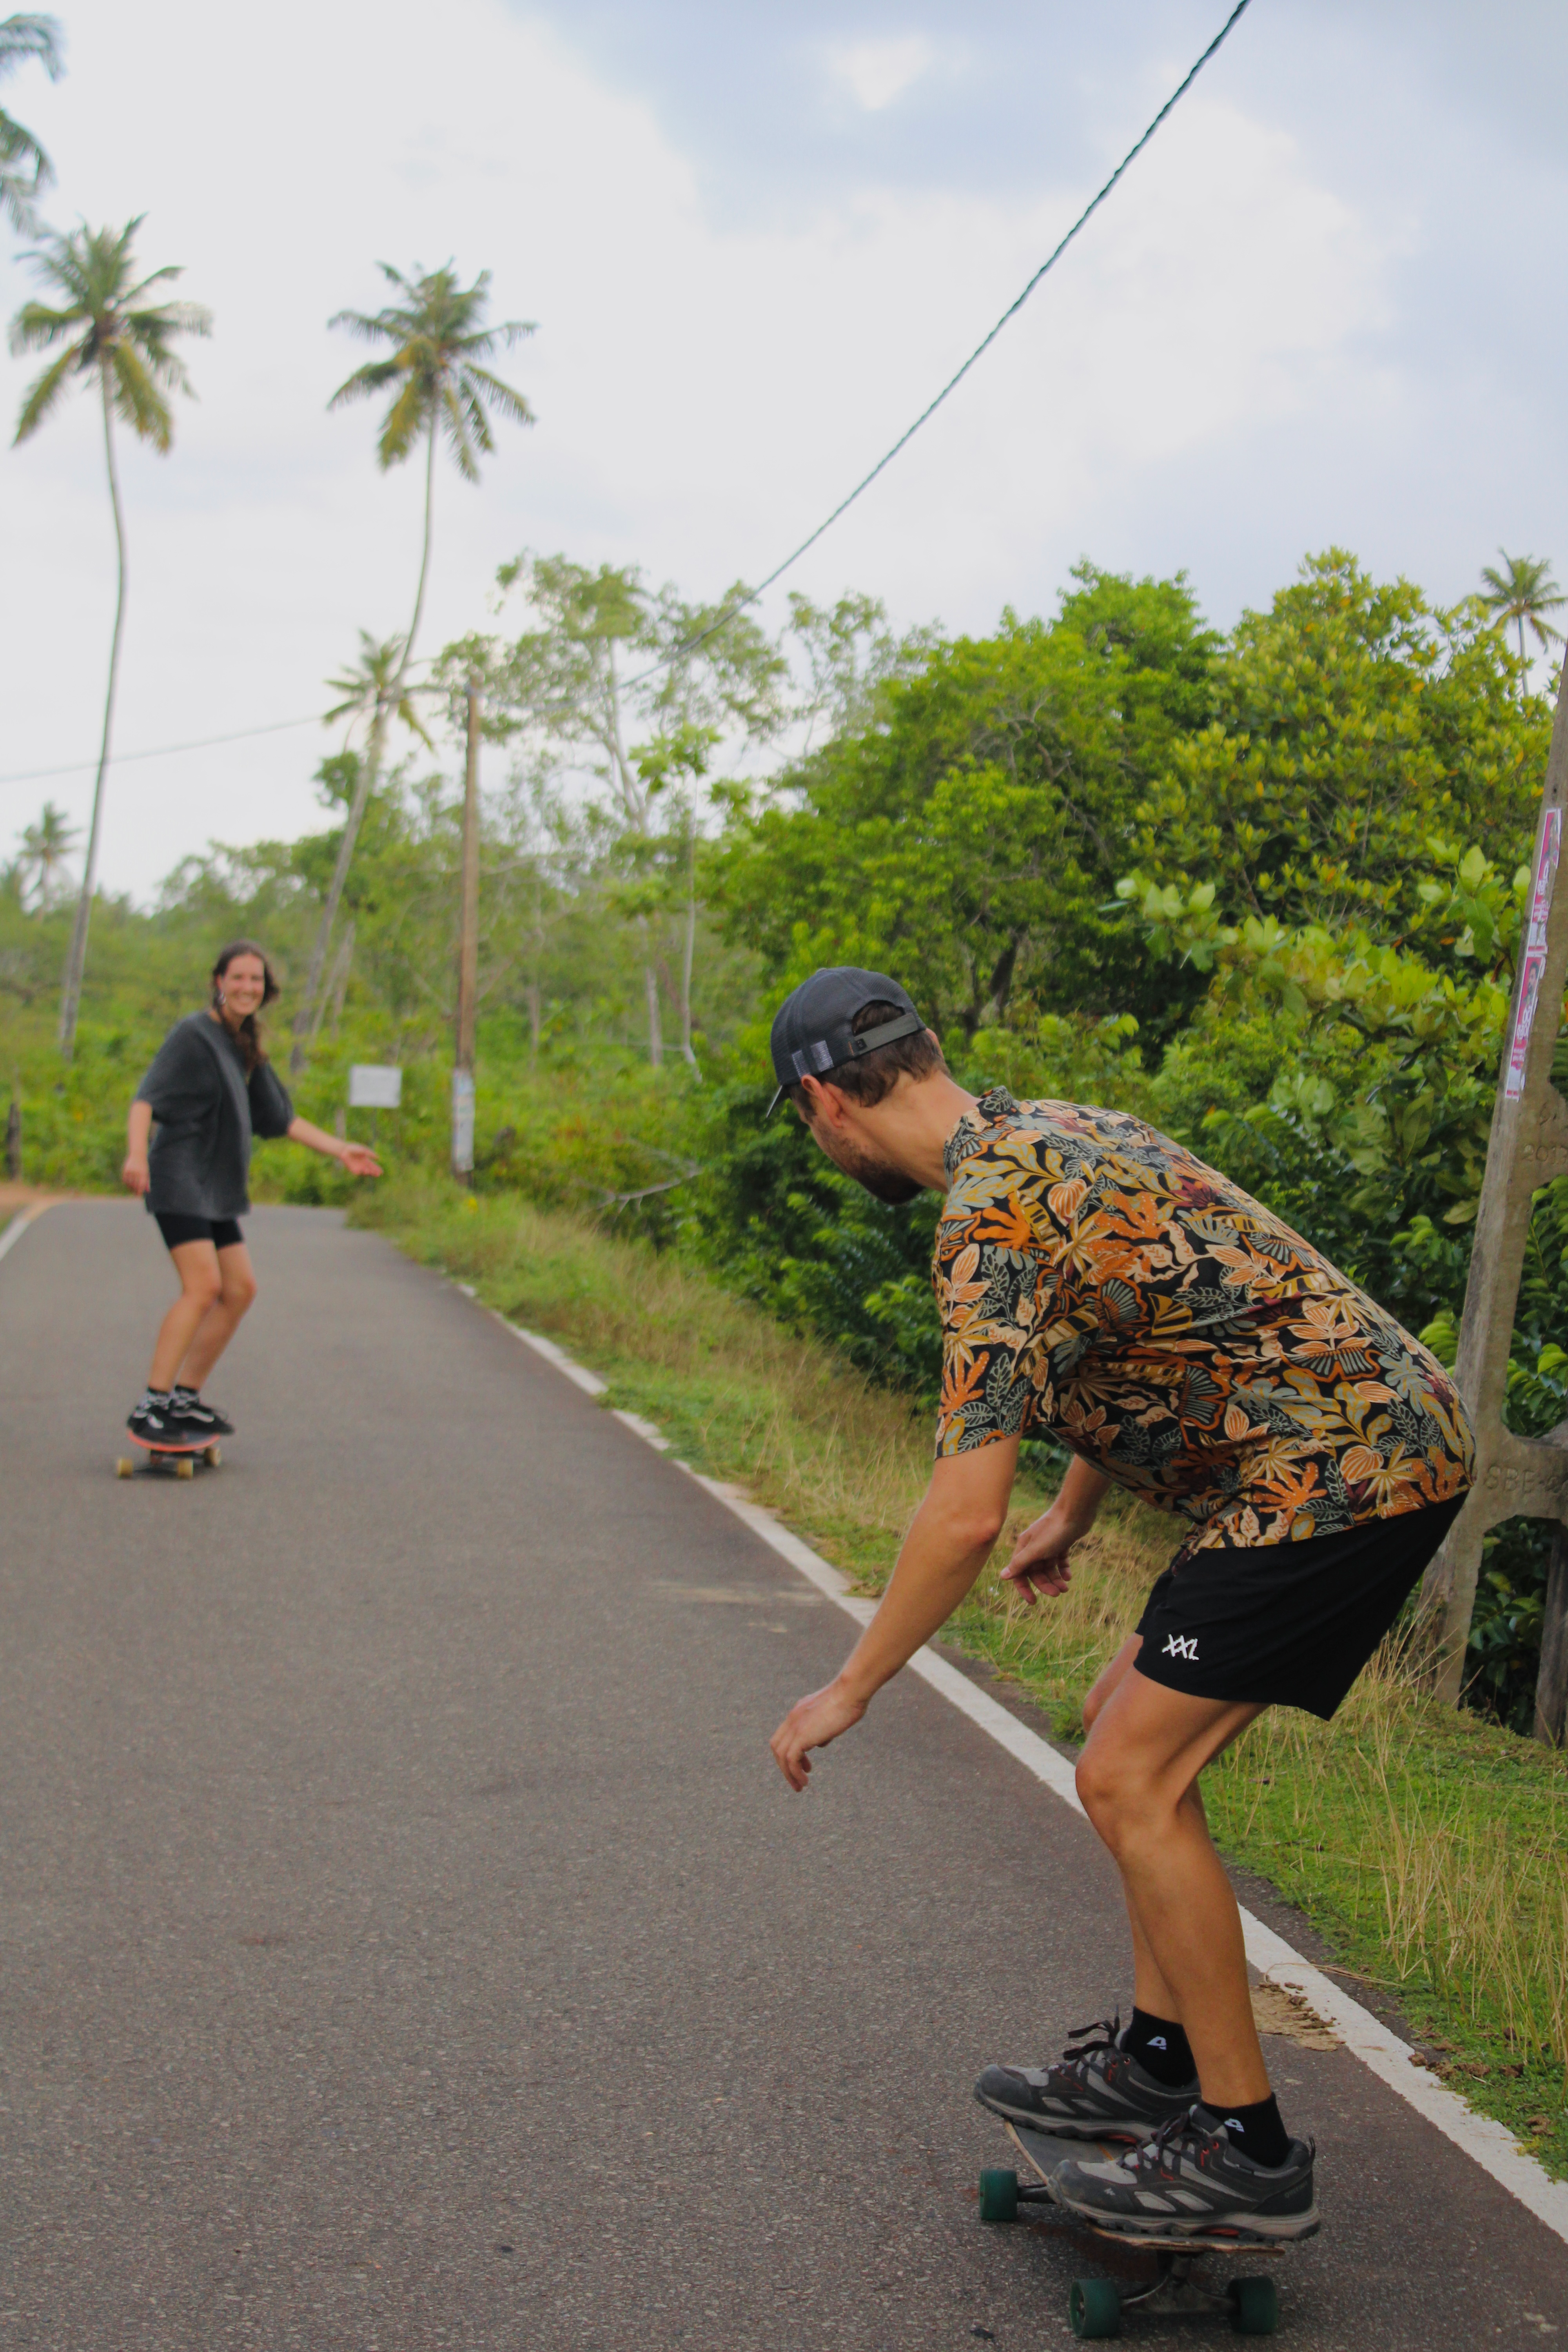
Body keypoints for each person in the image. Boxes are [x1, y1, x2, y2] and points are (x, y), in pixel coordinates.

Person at [766, 966, 1474, 2241]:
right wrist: (1076, 1513)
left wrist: (849, 1685)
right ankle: (1157, 2062)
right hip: (1336, 1455)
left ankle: (1244, 2149)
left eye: (804, 1120)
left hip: (1339, 1474)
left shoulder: (985, 1225)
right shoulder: (1061, 1132)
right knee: (1120, 1726)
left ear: (822, 1102)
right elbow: (1149, 1320)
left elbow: (959, 1512)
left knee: (1126, 1777)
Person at [121, 939, 382, 1446]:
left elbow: (280, 1119)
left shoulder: (245, 1044)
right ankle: (151, 1407)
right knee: (203, 1288)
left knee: (240, 1290)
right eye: (237, 978)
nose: (247, 987)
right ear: (219, 982)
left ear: (266, 990)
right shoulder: (194, 1034)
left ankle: (184, 1400)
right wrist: (135, 1154)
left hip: (214, 1186)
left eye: (256, 980)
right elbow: (146, 1098)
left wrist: (339, 1149)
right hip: (178, 1176)